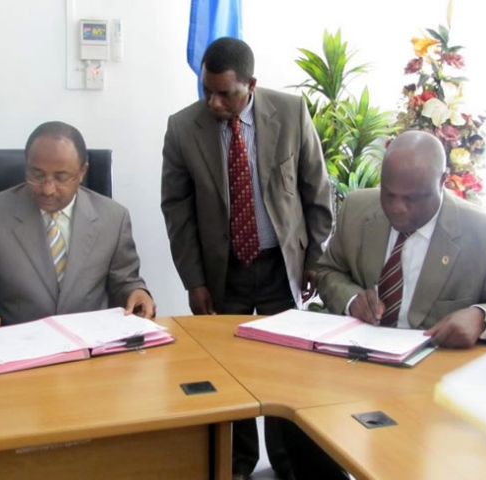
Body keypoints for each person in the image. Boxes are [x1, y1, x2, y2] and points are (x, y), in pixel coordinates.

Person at [161, 37, 333, 480]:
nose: (214, 102)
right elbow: (177, 211)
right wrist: (193, 280)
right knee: (228, 371)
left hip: (280, 266)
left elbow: (317, 188)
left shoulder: (291, 113)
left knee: (285, 369)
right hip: (224, 272)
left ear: (251, 84)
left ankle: (288, 464)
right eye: (207, 91)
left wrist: (316, 257)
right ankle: (235, 466)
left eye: (226, 93)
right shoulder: (183, 128)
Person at [0, 121, 155, 345]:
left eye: (61, 177)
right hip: (17, 353)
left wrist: (136, 293)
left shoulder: (113, 218)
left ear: (82, 172)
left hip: (91, 354)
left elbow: (125, 282)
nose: (48, 189)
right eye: (37, 175)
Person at [316, 130, 486, 346]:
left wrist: (481, 318)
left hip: (436, 367)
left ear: (442, 181)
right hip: (357, 356)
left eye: (413, 198)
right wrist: (352, 300)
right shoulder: (357, 209)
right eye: (389, 193)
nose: (397, 208)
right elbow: (328, 272)